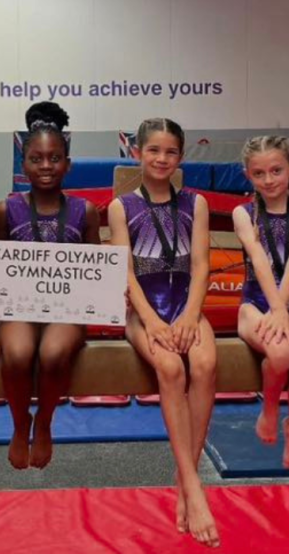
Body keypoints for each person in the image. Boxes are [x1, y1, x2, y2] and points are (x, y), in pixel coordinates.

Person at [108, 118, 220, 547]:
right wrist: (152, 322)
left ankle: (185, 480)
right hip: (145, 311)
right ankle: (194, 489)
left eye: (171, 152)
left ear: (181, 157)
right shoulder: (122, 207)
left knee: (207, 362)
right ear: (137, 153)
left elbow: (201, 265)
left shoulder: (196, 203)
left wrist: (192, 316)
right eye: (153, 150)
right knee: (171, 369)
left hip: (186, 306)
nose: (161, 159)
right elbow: (125, 270)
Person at [0, 117, 100, 469]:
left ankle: (44, 421)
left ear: (67, 164)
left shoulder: (84, 211)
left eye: (54, 158)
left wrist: (109, 295)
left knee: (53, 353)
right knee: (20, 352)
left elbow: (96, 270)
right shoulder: (6, 209)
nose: (45, 166)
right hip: (19, 309)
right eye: (36, 158)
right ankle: (19, 421)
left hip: (66, 311)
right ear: (23, 164)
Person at [233, 135, 289, 469]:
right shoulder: (243, 214)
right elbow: (258, 259)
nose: (268, 180)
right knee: (281, 355)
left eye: (276, 170)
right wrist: (274, 310)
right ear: (248, 175)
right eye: (259, 174)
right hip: (254, 306)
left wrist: (283, 311)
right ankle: (270, 408)